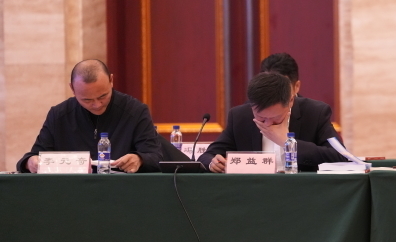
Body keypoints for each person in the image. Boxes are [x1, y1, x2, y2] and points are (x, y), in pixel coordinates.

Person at [17, 59, 162, 173]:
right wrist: (30, 162)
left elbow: (156, 157)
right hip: (71, 191)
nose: (97, 104)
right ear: (72, 88)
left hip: (122, 190)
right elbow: (34, 156)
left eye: (103, 96)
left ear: (111, 81)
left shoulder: (135, 111)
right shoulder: (59, 115)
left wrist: (139, 159)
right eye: (87, 100)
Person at [198, 72, 346, 172]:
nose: (267, 124)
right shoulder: (240, 116)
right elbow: (207, 156)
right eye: (261, 118)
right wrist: (213, 163)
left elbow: (340, 157)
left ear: (291, 101)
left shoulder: (315, 113)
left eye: (275, 117)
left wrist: (287, 143)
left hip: (303, 193)